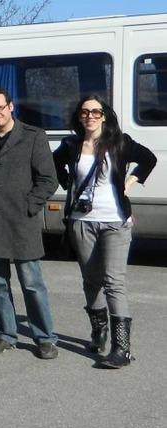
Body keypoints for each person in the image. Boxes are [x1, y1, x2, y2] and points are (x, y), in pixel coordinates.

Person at [53, 95, 157, 368]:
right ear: (79, 117)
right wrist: (67, 183)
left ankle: (121, 348)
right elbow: (53, 165)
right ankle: (99, 332)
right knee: (91, 280)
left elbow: (149, 159)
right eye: (85, 112)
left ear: (104, 115)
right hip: (81, 221)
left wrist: (132, 180)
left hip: (115, 221)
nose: (90, 116)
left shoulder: (120, 142)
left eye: (96, 112)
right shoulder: (71, 145)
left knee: (114, 282)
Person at [0, 86, 60, 359]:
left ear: (11, 106)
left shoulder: (33, 136)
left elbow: (48, 179)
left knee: (32, 284)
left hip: (21, 224)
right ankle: (6, 334)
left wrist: (28, 206)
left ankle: (44, 337)